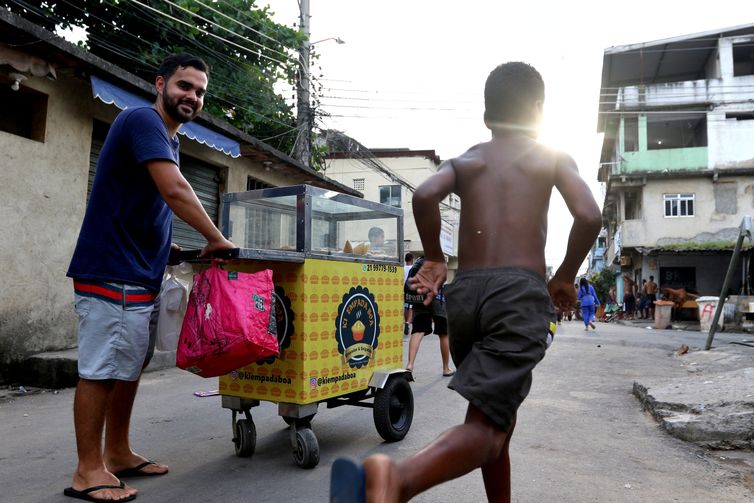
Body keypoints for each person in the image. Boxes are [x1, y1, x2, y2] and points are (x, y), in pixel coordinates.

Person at [329, 61, 601, 503]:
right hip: (517, 295)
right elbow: (589, 215)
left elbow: (423, 195)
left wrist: (435, 257)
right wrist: (567, 275)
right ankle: (392, 481)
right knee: (486, 430)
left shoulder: (467, 159)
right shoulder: (551, 156)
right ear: (538, 110)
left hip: (466, 297)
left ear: (487, 115)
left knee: (496, 421)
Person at [65, 53, 235, 502]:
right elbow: (175, 189)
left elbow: (146, 202)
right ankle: (87, 471)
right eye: (184, 86)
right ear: (160, 83)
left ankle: (117, 452)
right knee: (102, 370)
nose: (192, 97)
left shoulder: (168, 139)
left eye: (199, 91)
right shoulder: (143, 120)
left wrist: (167, 248)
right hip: (112, 270)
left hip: (140, 271)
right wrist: (215, 237)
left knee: (129, 366)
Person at [405, 284, 454, 377]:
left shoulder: (416, 268)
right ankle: (446, 368)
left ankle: (410, 365)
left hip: (419, 297)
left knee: (418, 331)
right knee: (443, 334)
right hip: (437, 297)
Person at [403, 253, 415, 336]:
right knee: (411, 307)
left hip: (404, 289)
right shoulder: (414, 268)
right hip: (411, 289)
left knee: (406, 306)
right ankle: (408, 322)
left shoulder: (402, 268)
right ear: (411, 259)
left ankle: (406, 321)